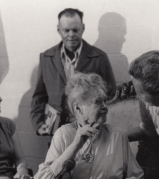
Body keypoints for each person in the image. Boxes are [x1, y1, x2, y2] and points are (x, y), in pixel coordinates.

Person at [34, 73, 143, 179]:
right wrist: (75, 145)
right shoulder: (63, 134)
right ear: (78, 108)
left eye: (105, 100)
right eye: (98, 102)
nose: (105, 107)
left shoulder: (117, 135)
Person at [31, 8, 116, 136]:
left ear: (83, 28)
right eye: (66, 30)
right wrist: (38, 124)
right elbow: (39, 96)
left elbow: (111, 93)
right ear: (58, 29)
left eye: (75, 30)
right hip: (57, 130)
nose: (71, 34)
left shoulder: (99, 57)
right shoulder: (46, 58)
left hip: (89, 129)